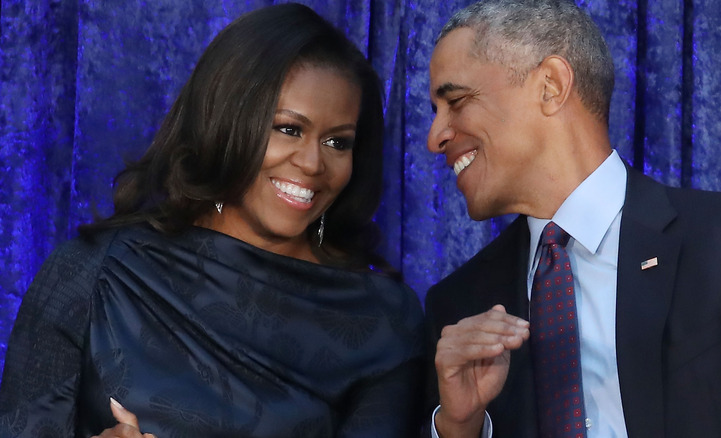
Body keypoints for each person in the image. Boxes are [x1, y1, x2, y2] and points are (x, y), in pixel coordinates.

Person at [0, 4, 425, 437]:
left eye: (338, 141)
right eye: (288, 129)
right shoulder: (93, 272)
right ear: (224, 123)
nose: (313, 162)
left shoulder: (382, 321)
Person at [422, 0, 721, 437]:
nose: (435, 137)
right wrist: (461, 427)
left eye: (456, 101)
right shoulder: (458, 306)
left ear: (550, 86)